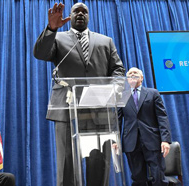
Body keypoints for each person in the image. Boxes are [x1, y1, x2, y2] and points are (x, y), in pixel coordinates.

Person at [33, 2, 125, 186]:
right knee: (67, 164)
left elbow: (118, 70)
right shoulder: (57, 38)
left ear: (89, 16)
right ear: (70, 16)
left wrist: (114, 88)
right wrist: (51, 28)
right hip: (66, 109)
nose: (81, 14)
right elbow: (40, 54)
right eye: (76, 11)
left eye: (84, 11)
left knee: (99, 164)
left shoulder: (105, 41)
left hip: (99, 111)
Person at [118, 67, 172, 186]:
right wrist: (114, 139)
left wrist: (165, 140)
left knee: (158, 177)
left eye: (135, 73)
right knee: (138, 179)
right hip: (131, 142)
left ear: (141, 78)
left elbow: (162, 117)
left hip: (152, 141)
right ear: (127, 79)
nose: (132, 74)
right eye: (130, 73)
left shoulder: (153, 93)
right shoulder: (122, 96)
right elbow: (117, 120)